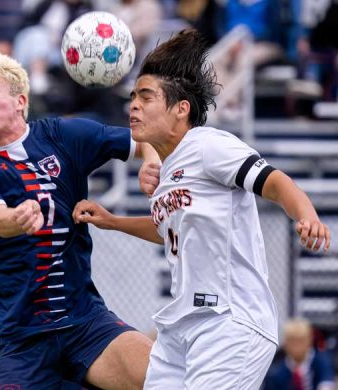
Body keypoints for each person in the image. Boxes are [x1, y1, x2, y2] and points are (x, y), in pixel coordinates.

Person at [72, 29, 331, 389]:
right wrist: (113, 221)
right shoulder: (166, 172)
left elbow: (275, 182)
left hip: (230, 321)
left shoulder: (209, 145)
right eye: (132, 96)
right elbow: (168, 230)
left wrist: (306, 214)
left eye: (146, 97)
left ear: (181, 109)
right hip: (183, 327)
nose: (133, 105)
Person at [0, 49, 155, 389]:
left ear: (19, 100)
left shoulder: (64, 136)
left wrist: (149, 160)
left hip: (85, 321)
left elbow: (148, 140)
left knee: (161, 375)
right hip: (18, 337)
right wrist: (16, 217)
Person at [263, 318, 335, 390]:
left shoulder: (322, 361)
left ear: (309, 340)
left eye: (301, 340)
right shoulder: (276, 371)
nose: (297, 346)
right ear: (285, 343)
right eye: (292, 341)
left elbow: (326, 383)